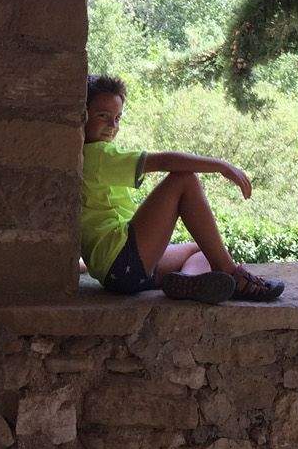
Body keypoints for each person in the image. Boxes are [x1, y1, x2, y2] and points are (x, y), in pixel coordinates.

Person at [81, 73, 284, 303]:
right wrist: (220, 165)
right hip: (120, 260)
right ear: (82, 116)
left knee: (200, 249)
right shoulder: (95, 154)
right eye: (103, 116)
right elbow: (164, 162)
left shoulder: (83, 158)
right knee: (184, 179)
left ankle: (185, 281)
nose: (112, 126)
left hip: (123, 271)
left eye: (118, 118)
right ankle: (231, 274)